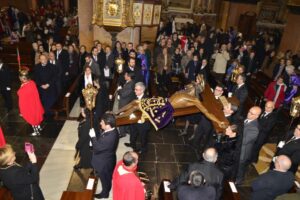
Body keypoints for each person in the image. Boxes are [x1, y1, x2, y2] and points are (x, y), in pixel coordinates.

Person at [89, 113, 119, 199]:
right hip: (109, 157)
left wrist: (93, 137)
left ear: (108, 125)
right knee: (107, 177)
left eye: (102, 122)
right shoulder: (113, 130)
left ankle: (105, 194)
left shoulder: (109, 138)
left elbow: (97, 148)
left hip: (104, 163)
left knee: (105, 180)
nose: (100, 123)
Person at [235, 106, 261, 185]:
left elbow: (244, 141)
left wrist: (233, 135)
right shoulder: (246, 120)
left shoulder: (254, 128)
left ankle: (239, 180)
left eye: (251, 113)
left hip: (243, 152)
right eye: (249, 111)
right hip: (237, 148)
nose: (248, 114)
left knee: (240, 168)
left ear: (256, 116)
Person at [125, 82, 151, 154]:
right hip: (134, 120)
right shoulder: (134, 96)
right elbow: (130, 106)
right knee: (133, 133)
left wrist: (141, 119)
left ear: (142, 90)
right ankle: (132, 144)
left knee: (143, 137)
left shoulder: (146, 100)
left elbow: (148, 113)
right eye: (135, 89)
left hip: (143, 123)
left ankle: (143, 149)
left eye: (137, 90)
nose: (135, 91)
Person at [18, 69, 44, 136]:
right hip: (35, 103)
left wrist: (21, 87)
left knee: (33, 119)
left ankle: (36, 132)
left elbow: (19, 93)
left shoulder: (25, 88)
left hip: (29, 106)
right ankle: (39, 127)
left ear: (22, 78)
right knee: (36, 116)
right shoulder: (32, 82)